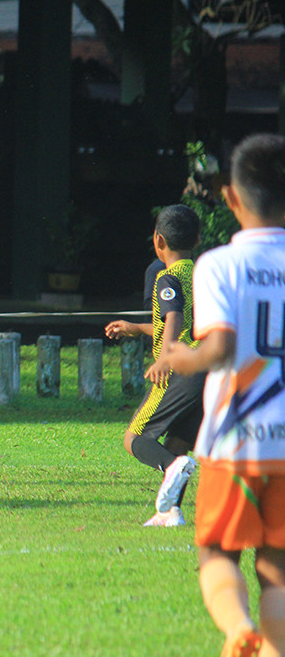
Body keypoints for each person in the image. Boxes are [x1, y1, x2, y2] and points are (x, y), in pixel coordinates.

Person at [167, 133, 285, 657]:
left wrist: (177, 355)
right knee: (277, 567)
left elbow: (220, 347)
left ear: (232, 199)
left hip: (233, 442)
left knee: (217, 551)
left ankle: (239, 631)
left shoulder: (219, 265)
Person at [104, 204, 205, 527]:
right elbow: (182, 321)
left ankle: (172, 475)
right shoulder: (202, 275)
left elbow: (173, 317)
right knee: (177, 445)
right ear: (198, 239)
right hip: (207, 370)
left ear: (158, 240)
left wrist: (165, 357)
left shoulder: (167, 276)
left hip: (180, 369)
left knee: (135, 439)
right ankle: (170, 511)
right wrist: (135, 328)